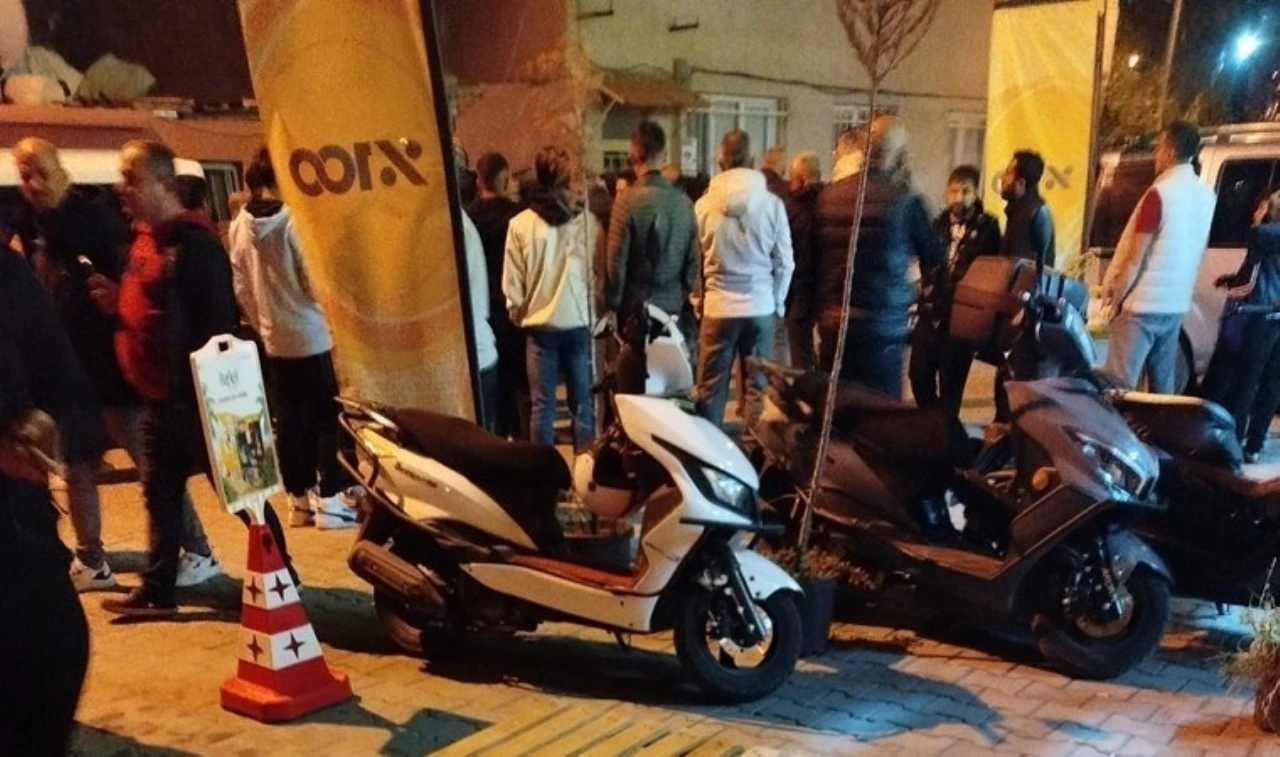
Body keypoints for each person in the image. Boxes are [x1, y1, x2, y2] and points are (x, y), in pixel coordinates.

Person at [99, 141, 295, 617]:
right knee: (159, 493)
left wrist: (206, 397)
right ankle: (159, 587)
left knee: (242, 493)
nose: (121, 188)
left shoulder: (195, 245)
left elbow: (216, 325)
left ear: (164, 184)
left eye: (132, 178)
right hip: (159, 397)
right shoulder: (147, 239)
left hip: (202, 400)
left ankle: (280, 578)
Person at [10, 137, 203, 593]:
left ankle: (196, 549)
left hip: (109, 365)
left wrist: (114, 300)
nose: (30, 183)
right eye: (23, 174)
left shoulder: (88, 217)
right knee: (78, 463)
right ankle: (92, 559)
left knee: (152, 465)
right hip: (70, 367)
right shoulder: (33, 223)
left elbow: (129, 284)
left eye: (37, 171)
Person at [228, 148, 359, 530]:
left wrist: (263, 323)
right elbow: (312, 283)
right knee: (327, 419)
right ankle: (330, 499)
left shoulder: (239, 225)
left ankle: (298, 500)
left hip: (274, 338)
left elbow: (241, 287)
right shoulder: (294, 222)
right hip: (312, 335)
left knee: (289, 420)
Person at [0, 249, 96, 755]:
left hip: (22, 541)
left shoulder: (8, 275)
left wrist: (47, 428)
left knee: (53, 653)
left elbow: (65, 385)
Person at [814, 117, 944, 398]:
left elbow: (813, 259)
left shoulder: (829, 196)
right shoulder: (905, 201)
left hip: (835, 323)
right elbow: (935, 254)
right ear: (898, 155)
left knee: (837, 405)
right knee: (881, 410)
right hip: (883, 326)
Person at [1101, 121, 1217, 393]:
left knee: (1118, 386)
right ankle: (1161, 423)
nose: (1156, 155)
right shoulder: (1206, 196)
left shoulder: (1159, 195)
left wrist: (1115, 301)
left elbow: (1134, 259)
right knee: (1162, 389)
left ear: (1170, 151)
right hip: (1175, 306)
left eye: (1159, 148)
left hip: (1140, 308)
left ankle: (1117, 424)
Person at [693, 129, 794, 427]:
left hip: (718, 307)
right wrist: (777, 303)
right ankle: (753, 450)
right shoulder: (772, 205)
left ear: (720, 162)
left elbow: (694, 261)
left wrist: (698, 300)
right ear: (751, 160)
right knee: (757, 392)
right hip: (760, 306)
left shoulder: (702, 206)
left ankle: (709, 450)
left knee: (710, 391)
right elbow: (785, 262)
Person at [503, 145, 598, 451]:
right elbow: (593, 275)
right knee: (582, 403)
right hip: (578, 324)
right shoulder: (584, 222)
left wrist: (521, 315)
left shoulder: (520, 225)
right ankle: (586, 466)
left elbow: (512, 285)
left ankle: (542, 472)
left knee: (542, 406)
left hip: (539, 327)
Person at [604, 120, 700, 393]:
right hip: (671, 310)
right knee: (666, 390)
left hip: (635, 315)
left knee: (633, 390)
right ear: (663, 153)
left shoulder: (626, 202)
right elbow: (693, 263)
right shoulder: (684, 204)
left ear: (634, 153)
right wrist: (679, 295)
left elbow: (615, 265)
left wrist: (613, 306)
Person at [909, 164, 1002, 414]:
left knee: (951, 383)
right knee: (918, 374)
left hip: (961, 315)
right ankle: (933, 421)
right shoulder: (937, 223)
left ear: (976, 193)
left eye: (966, 191)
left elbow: (991, 269)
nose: (959, 197)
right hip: (931, 310)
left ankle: (945, 427)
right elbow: (926, 259)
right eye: (953, 191)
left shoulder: (987, 227)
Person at [1204, 189, 1280, 460]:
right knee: (1272, 383)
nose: (1256, 211)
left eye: (1262, 207)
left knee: (1244, 381)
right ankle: (1255, 444)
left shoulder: (1264, 235)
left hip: (1259, 313)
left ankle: (1233, 445)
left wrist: (1257, 223)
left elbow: (1252, 278)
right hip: (1274, 314)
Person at [468, 151, 527, 437]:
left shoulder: (467, 219)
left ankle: (494, 436)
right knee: (516, 383)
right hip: (510, 307)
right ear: (504, 178)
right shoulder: (516, 216)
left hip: (481, 309)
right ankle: (518, 437)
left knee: (491, 386)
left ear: (479, 180)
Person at [782, 151, 823, 369]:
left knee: (799, 345)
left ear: (802, 179)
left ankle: (807, 384)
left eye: (792, 178)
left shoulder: (794, 209)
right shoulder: (827, 202)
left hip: (800, 286)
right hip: (826, 285)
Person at [999, 150, 1056, 268]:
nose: (1002, 178)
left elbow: (1019, 267)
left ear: (1021, 183)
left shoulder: (1029, 215)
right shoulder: (1021, 211)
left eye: (1008, 173)